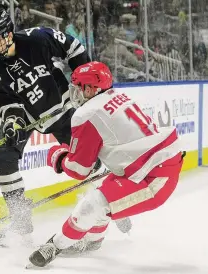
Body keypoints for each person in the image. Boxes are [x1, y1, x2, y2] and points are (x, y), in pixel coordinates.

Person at [28, 61, 184, 267]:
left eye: (78, 88)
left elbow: (79, 170)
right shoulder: (118, 96)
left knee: (94, 203)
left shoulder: (86, 113)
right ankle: (92, 241)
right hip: (152, 165)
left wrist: (57, 156)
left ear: (91, 89)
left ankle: (55, 246)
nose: (75, 94)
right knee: (100, 194)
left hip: (154, 177)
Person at [0, 9, 91, 245]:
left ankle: (103, 208)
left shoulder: (37, 39)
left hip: (61, 107)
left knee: (89, 161)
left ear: (9, 34)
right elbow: (3, 105)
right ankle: (21, 223)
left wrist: (84, 82)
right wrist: (12, 121)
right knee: (2, 157)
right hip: (27, 115)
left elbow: (74, 48)